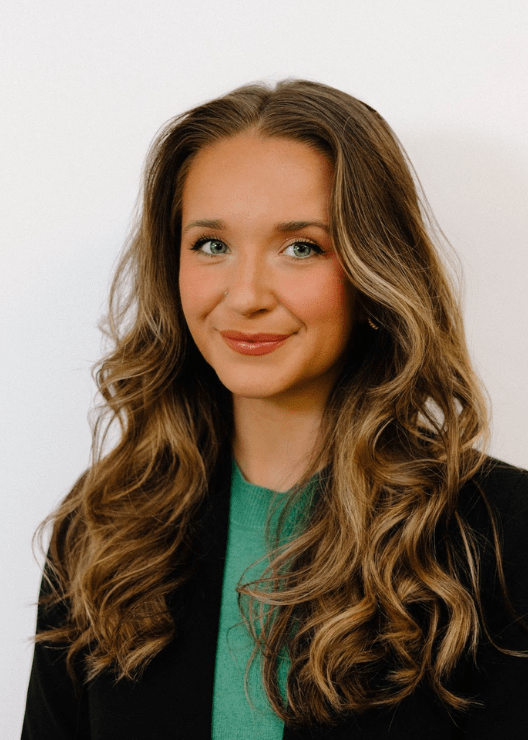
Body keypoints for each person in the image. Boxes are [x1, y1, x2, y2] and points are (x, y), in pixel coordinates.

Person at [22, 79, 528, 740]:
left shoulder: (501, 534)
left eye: (301, 247)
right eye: (212, 245)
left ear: (376, 268)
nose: (246, 295)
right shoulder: (109, 527)